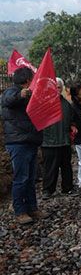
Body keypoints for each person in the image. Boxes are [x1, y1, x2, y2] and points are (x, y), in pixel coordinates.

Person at [1, 67, 49, 225]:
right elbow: (8, 100)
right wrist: (21, 94)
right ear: (27, 80)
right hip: (18, 142)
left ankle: (32, 207)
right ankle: (20, 210)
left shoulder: (31, 94)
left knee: (31, 178)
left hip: (31, 140)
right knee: (21, 177)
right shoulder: (11, 92)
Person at [41, 78, 75, 199]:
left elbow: (72, 120)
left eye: (59, 87)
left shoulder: (66, 104)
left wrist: (72, 126)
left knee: (66, 166)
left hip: (64, 141)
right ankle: (48, 190)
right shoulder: (44, 103)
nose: (56, 89)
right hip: (49, 142)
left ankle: (68, 187)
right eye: (54, 87)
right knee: (50, 168)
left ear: (62, 89)